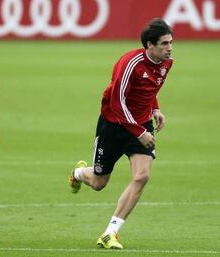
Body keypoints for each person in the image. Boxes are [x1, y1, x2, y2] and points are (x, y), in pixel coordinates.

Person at [68, 18, 173, 249]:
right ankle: (77, 173)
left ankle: (110, 233)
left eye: (170, 42)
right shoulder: (129, 63)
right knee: (98, 182)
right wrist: (138, 132)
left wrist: (155, 108)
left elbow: (149, 87)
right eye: (164, 43)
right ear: (149, 45)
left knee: (142, 176)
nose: (169, 48)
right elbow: (117, 101)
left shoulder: (166, 63)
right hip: (114, 125)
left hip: (141, 125)